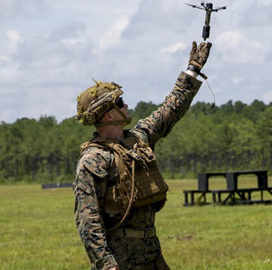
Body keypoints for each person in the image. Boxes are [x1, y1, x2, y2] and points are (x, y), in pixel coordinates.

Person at [74, 41, 212, 270]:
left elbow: (171, 109)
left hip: (150, 251)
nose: (126, 104)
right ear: (107, 115)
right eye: (119, 102)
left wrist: (193, 69)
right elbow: (88, 221)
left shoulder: (138, 139)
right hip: (120, 259)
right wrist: (106, 263)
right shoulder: (94, 160)